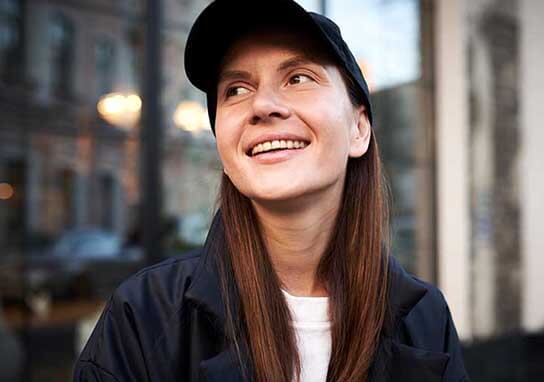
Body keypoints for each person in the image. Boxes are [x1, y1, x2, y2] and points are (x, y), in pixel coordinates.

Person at [74, 0, 469, 381]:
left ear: (358, 128)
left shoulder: (425, 317)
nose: (262, 105)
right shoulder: (143, 316)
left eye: (298, 78)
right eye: (237, 90)